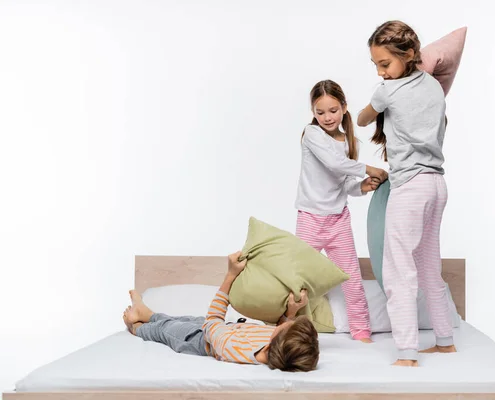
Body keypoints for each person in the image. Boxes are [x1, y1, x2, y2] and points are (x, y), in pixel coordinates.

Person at [357, 20, 457, 366]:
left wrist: (376, 100)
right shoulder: (432, 86)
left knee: (399, 270)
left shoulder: (388, 91)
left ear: (410, 54)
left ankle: (407, 353)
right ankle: (445, 340)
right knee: (429, 267)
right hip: (436, 185)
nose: (381, 72)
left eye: (384, 64)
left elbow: (362, 120)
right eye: (376, 66)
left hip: (411, 187)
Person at [295, 79, 388, 342]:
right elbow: (335, 164)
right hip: (310, 219)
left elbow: (344, 182)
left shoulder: (347, 141)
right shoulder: (311, 134)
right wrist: (369, 168)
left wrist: (363, 186)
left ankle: (361, 331)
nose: (327, 117)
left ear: (344, 108)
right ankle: (293, 330)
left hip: (338, 221)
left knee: (352, 280)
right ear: (313, 112)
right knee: (298, 280)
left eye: (333, 111)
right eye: (320, 112)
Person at [123, 252, 320, 372]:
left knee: (167, 329)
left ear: (278, 339)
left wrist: (231, 275)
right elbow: (281, 332)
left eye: (288, 325)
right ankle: (146, 313)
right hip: (223, 329)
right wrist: (291, 312)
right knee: (182, 319)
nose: (287, 322)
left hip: (199, 340)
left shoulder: (231, 348)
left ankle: (135, 326)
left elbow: (213, 321)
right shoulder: (277, 347)